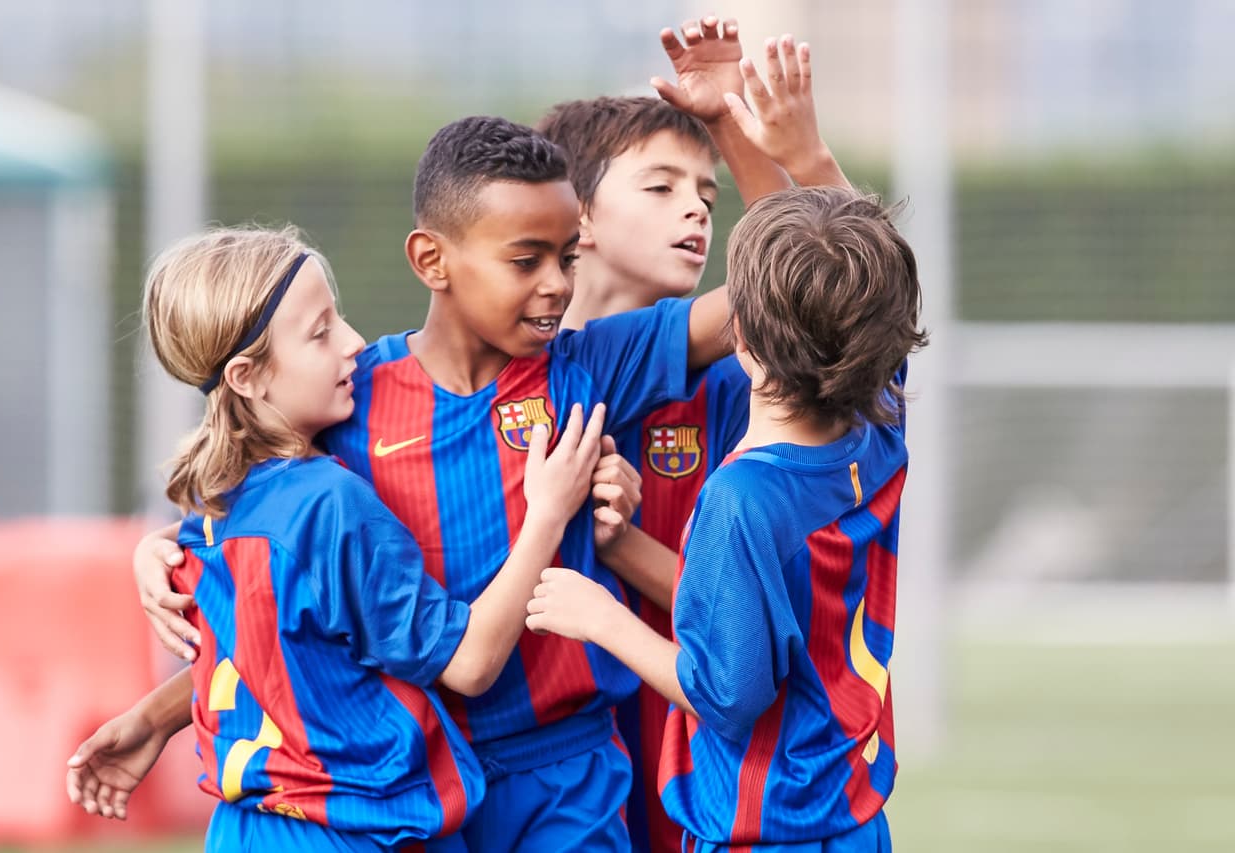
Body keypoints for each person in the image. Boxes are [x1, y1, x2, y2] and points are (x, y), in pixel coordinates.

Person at [79, 18, 795, 851]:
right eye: (527, 260)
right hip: (424, 779)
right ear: (432, 260)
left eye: (568, 257)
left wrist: (732, 126)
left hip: (570, 780)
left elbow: (784, 290)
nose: (558, 285)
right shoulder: (355, 400)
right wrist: (160, 697)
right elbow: (288, 602)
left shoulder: (590, 366)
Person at [94, 224, 609, 851]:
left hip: (243, 832)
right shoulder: (328, 503)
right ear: (246, 377)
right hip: (354, 830)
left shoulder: (216, 515)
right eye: (320, 333)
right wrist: (548, 515)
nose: (354, 344)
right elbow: (468, 665)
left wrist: (153, 713)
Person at [523, 184, 928, 852]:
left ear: (738, 333)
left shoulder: (740, 497)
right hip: (853, 818)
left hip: (765, 826)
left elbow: (728, 693)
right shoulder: (878, 430)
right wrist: (621, 543)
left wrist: (600, 616)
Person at [535, 27, 848, 853]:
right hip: (547, 761)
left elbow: (813, 277)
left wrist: (737, 128)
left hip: (698, 735)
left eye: (708, 195)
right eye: (663, 186)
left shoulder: (745, 389)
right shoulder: (500, 378)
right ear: (577, 220)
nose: (697, 211)